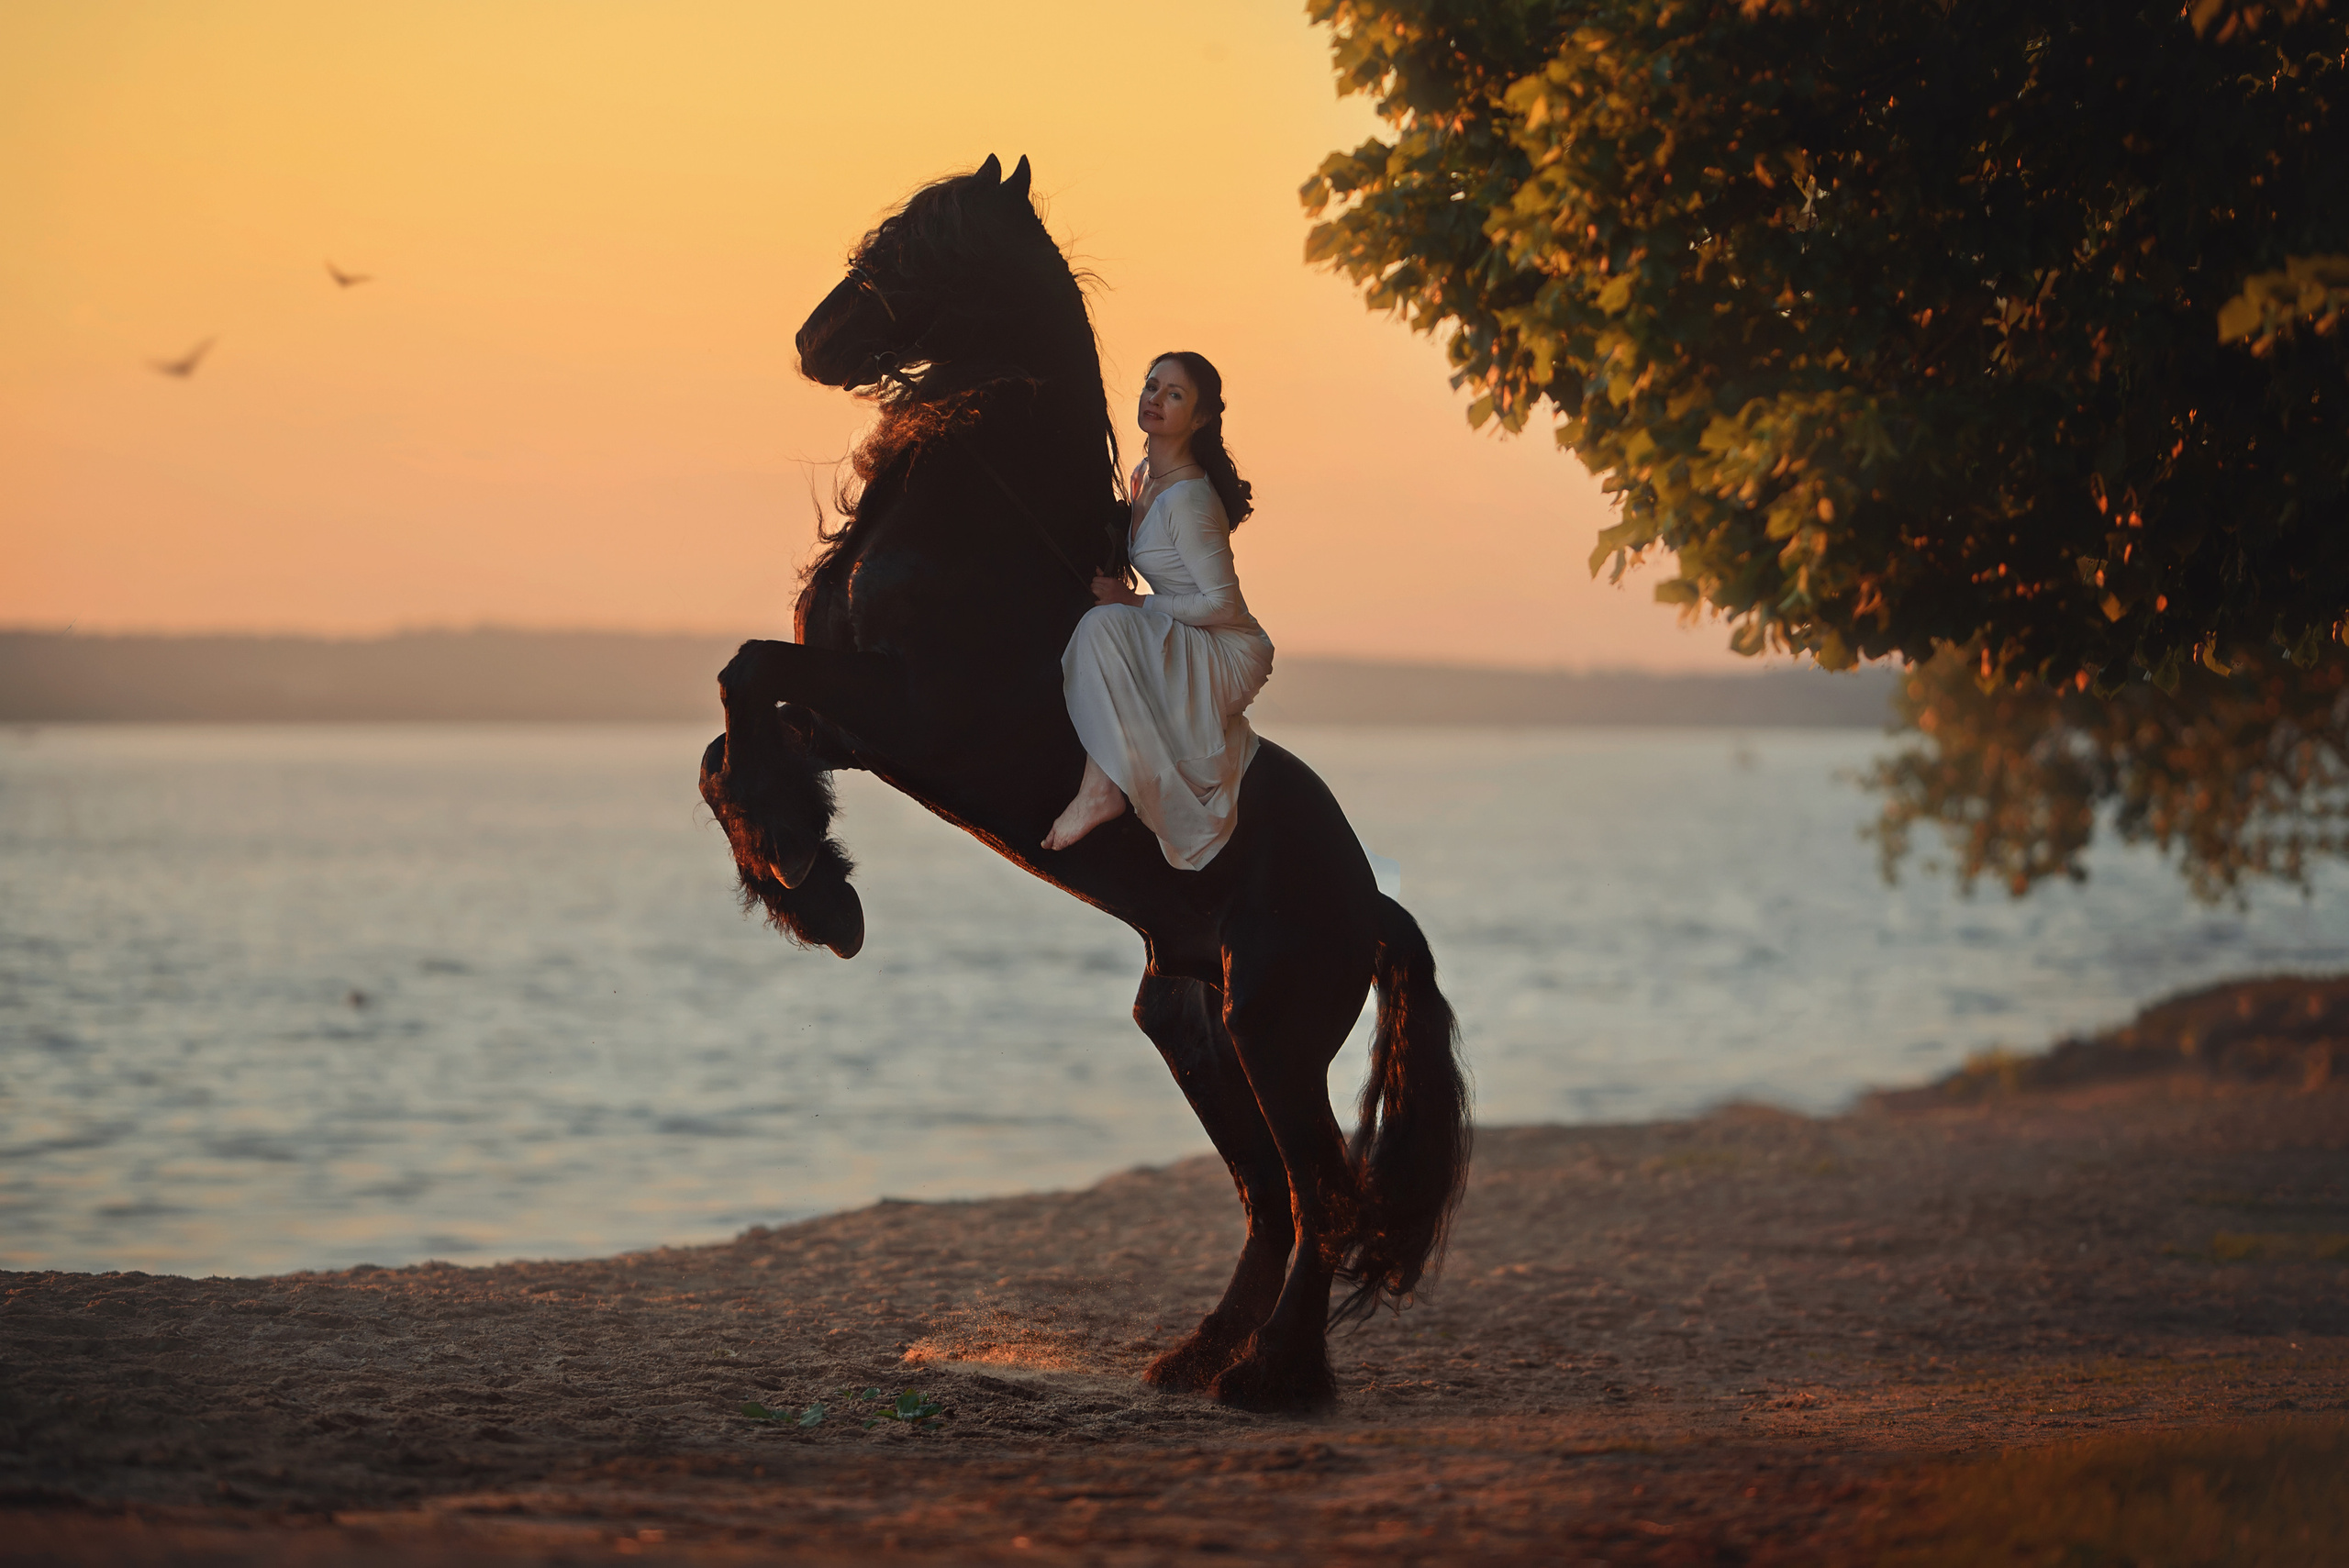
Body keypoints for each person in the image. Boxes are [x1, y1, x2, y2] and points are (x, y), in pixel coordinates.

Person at [1042, 351, 1274, 868]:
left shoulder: (1188, 500)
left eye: (1175, 395)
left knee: (1103, 629)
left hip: (1227, 649)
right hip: (1185, 629)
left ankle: (1101, 792)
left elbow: (1223, 603)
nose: (1155, 399)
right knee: (1103, 624)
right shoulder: (1144, 476)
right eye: (1152, 386)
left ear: (1199, 419)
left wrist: (1134, 602)